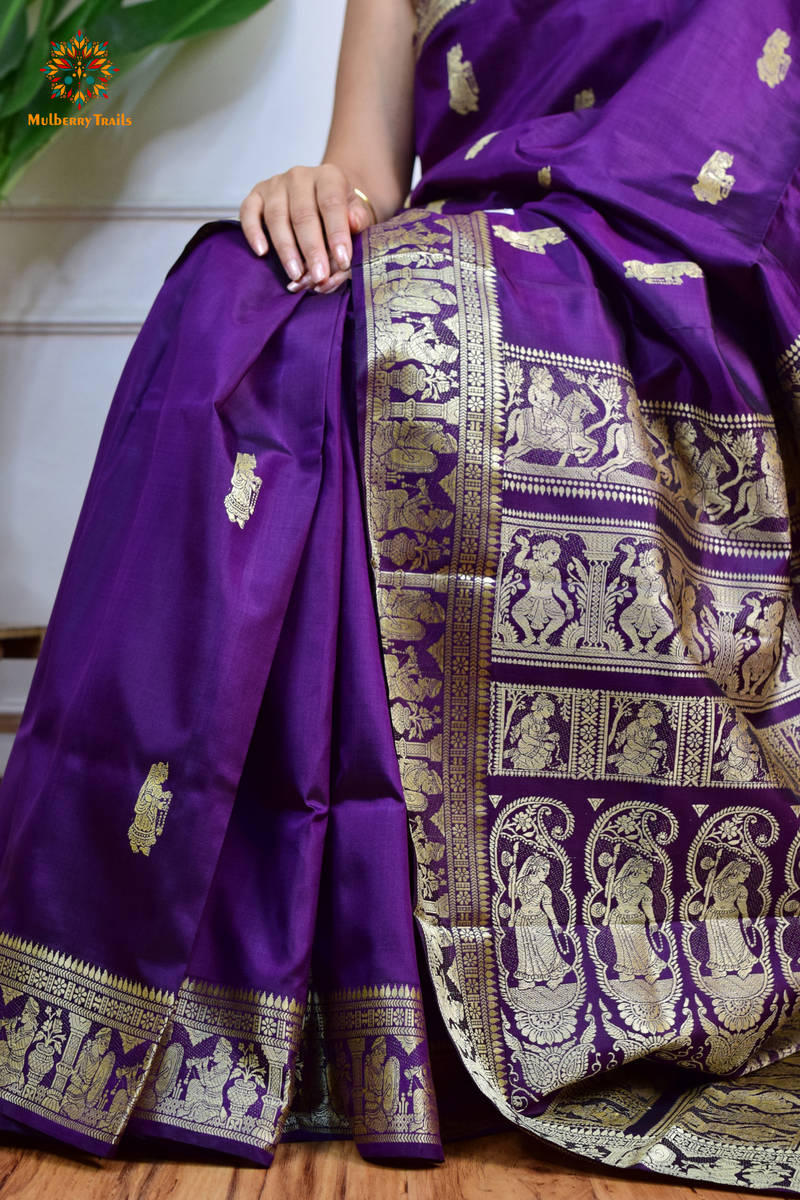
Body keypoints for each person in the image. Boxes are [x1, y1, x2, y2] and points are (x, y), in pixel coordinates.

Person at [0, 0, 799, 1190]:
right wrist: (311, 195)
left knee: (413, 349)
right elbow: (366, 175)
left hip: (681, 290)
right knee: (236, 289)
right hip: (467, 252)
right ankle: (174, 986)